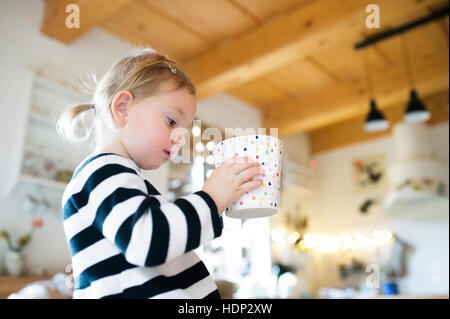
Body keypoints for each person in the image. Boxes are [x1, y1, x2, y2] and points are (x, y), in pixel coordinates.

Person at [57, 48, 265, 299]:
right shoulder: (101, 173)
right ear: (122, 108)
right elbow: (148, 241)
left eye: (185, 129)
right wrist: (212, 198)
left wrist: (217, 205)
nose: (180, 137)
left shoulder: (122, 180)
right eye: (171, 121)